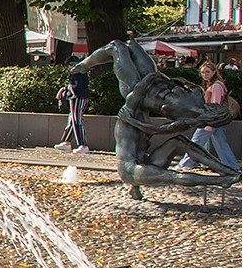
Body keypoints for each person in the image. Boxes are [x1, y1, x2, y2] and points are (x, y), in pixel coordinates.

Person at [77, 40, 240, 197]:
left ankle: (223, 178)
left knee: (117, 46)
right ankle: (227, 172)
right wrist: (167, 79)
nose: (213, 105)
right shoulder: (196, 96)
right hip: (146, 156)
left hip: (132, 168)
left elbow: (153, 120)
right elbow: (159, 127)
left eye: (215, 108)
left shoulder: (131, 111)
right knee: (131, 44)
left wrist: (156, 77)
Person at [178, 60, 239, 173]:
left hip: (211, 119)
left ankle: (185, 164)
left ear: (214, 72)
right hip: (215, 120)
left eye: (207, 72)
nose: (204, 75)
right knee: (221, 145)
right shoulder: (218, 85)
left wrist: (210, 122)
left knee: (196, 142)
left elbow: (215, 105)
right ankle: (232, 167)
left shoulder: (216, 86)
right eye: (202, 72)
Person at [55, 62, 91, 152]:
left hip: (77, 98)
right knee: (73, 121)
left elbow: (76, 87)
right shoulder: (81, 72)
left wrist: (67, 89)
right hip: (79, 98)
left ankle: (83, 144)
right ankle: (67, 142)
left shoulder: (77, 73)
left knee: (76, 120)